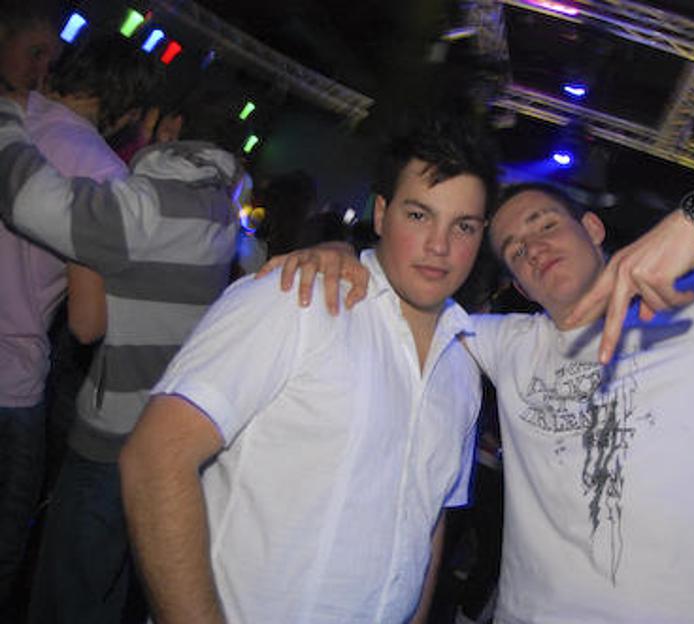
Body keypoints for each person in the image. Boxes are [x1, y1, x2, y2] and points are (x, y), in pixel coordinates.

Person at [272, 181, 694, 622]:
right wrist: (341, 249)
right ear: (520, 287)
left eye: (544, 225)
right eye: (514, 250)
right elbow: (401, 299)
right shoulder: (506, 343)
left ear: (592, 227)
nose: (532, 248)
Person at [117, 117, 499, 623]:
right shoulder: (295, 299)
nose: (439, 245)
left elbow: (427, 522)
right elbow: (154, 459)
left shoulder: (462, 368)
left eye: (463, 226)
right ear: (381, 213)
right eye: (418, 215)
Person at [0, 68, 239, 621]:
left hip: (111, 444)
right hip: (168, 441)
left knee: (65, 600)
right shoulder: (223, 217)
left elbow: (28, 201)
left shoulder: (146, 208)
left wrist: (8, 116)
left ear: (168, 126)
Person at [0, 20, 160, 619]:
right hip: (10, 383)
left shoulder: (11, 114)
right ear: (128, 110)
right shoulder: (102, 175)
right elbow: (88, 323)